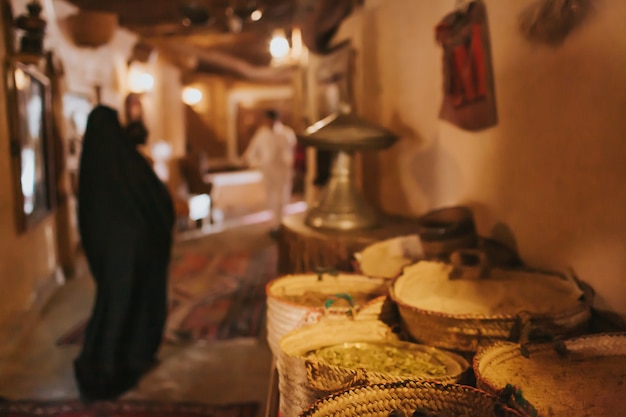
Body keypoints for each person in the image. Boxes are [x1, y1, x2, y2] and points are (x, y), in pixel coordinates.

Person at [74, 102, 175, 401]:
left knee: (113, 304)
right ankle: (117, 364)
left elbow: (87, 219)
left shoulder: (92, 167)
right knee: (132, 303)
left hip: (110, 253)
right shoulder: (127, 160)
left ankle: (106, 362)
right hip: (135, 248)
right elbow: (157, 198)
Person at [242, 109, 296, 235]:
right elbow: (252, 149)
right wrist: (249, 161)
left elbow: (292, 152)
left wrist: (289, 165)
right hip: (267, 170)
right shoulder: (262, 134)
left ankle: (281, 224)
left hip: (281, 170)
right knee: (270, 196)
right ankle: (275, 224)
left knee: (281, 196)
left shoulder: (286, 133)